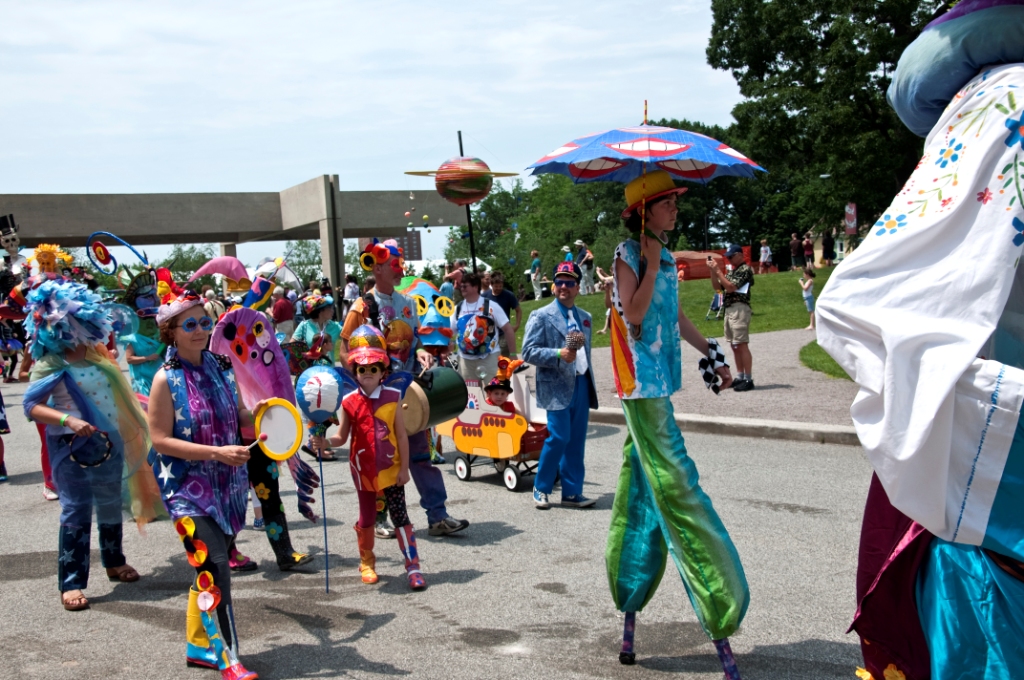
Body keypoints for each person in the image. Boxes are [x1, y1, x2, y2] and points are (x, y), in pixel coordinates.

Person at [817, 14, 1024, 676]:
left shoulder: (980, 97)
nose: (675, 208)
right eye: (667, 202)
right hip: (983, 500)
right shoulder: (998, 102)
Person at [606, 170, 746, 675]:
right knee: (676, 482)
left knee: (640, 486)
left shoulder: (664, 256)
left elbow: (674, 316)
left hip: (659, 381)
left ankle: (629, 593)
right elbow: (635, 315)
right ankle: (721, 597)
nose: (676, 210)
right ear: (645, 210)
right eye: (668, 203)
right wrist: (644, 264)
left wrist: (712, 351)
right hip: (639, 385)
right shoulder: (629, 254)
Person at [23, 280, 163, 612]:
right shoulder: (51, 362)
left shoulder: (95, 352)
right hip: (71, 447)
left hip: (108, 442)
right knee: (76, 510)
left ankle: (114, 562)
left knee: (111, 504)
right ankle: (71, 582)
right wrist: (67, 420)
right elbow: (32, 406)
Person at [147, 290, 262, 678]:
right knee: (214, 568)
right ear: (171, 332)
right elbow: (160, 439)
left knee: (206, 571)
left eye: (204, 322)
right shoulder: (167, 379)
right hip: (187, 491)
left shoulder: (221, 365)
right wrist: (215, 453)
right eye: (190, 325)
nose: (200, 331)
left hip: (228, 486)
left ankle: (198, 647)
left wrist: (263, 415)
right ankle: (226, 655)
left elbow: (238, 415)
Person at [342, 239, 470, 537]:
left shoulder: (408, 303)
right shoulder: (362, 308)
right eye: (396, 264)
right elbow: (346, 351)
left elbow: (413, 344)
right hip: (378, 398)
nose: (401, 269)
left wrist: (422, 352)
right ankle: (381, 517)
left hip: (410, 395)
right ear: (379, 268)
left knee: (421, 456)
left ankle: (437, 516)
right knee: (382, 458)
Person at [315, 325, 426, 590]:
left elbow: (401, 436)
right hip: (362, 470)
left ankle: (413, 567)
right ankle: (366, 563)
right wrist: (324, 442)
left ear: (383, 372)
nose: (367, 374)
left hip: (392, 471)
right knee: (367, 518)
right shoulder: (350, 400)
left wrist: (405, 469)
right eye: (362, 369)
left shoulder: (393, 396)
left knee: (400, 517)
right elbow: (342, 437)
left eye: (373, 369)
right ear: (354, 371)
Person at [522, 261, 599, 510]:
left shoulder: (585, 318)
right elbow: (528, 352)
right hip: (555, 386)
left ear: (578, 287)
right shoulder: (541, 316)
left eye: (569, 282)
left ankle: (572, 492)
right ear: (553, 286)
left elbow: (584, 354)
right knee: (559, 437)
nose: (563, 286)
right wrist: (558, 354)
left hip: (582, 383)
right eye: (559, 282)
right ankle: (541, 487)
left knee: (576, 440)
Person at [450, 272, 516, 384]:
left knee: (492, 395)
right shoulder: (457, 308)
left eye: (465, 286)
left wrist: (513, 354)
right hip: (466, 362)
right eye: (461, 286)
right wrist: (449, 344)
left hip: (489, 359)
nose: (462, 288)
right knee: (471, 398)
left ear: (475, 287)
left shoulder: (491, 306)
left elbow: (508, 329)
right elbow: (450, 332)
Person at [709, 244, 755, 392]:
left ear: (740, 255)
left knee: (741, 344)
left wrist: (717, 270)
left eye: (731, 256)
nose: (728, 259)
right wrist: (712, 271)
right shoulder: (732, 272)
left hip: (739, 308)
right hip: (729, 309)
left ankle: (748, 378)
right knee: (734, 345)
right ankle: (740, 376)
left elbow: (730, 287)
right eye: (727, 257)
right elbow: (718, 288)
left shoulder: (745, 270)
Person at [292, 294, 342, 365]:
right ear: (320, 311)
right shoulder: (304, 326)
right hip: (311, 372)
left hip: (330, 372)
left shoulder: (335, 326)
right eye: (330, 308)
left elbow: (349, 339)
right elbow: (291, 346)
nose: (333, 310)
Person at [483, 271, 521, 358]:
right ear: (491, 285)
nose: (499, 288)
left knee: (503, 359)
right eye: (496, 286)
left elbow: (518, 310)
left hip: (504, 332)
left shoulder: (508, 295)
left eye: (500, 286)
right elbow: (483, 314)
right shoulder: (485, 296)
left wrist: (517, 325)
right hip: (489, 333)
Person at [595, 266, 614, 335]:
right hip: (613, 299)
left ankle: (605, 329)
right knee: (608, 314)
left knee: (609, 313)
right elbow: (608, 277)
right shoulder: (615, 278)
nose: (612, 272)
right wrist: (603, 272)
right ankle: (605, 329)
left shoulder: (616, 278)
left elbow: (604, 279)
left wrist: (598, 272)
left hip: (615, 299)